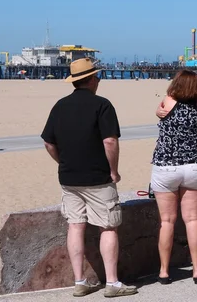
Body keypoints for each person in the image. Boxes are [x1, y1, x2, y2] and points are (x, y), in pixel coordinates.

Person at [41, 58, 137, 298]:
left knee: (75, 226)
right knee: (108, 226)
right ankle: (112, 283)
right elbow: (110, 141)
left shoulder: (60, 106)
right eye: (98, 77)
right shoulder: (102, 105)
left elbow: (48, 142)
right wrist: (114, 170)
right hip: (98, 177)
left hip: (69, 177)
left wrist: (62, 161)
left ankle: (79, 281)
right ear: (93, 79)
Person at [153, 69, 197, 284]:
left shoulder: (168, 101)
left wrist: (160, 108)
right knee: (193, 219)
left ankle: (164, 271)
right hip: (193, 165)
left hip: (166, 166)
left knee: (167, 221)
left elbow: (160, 112)